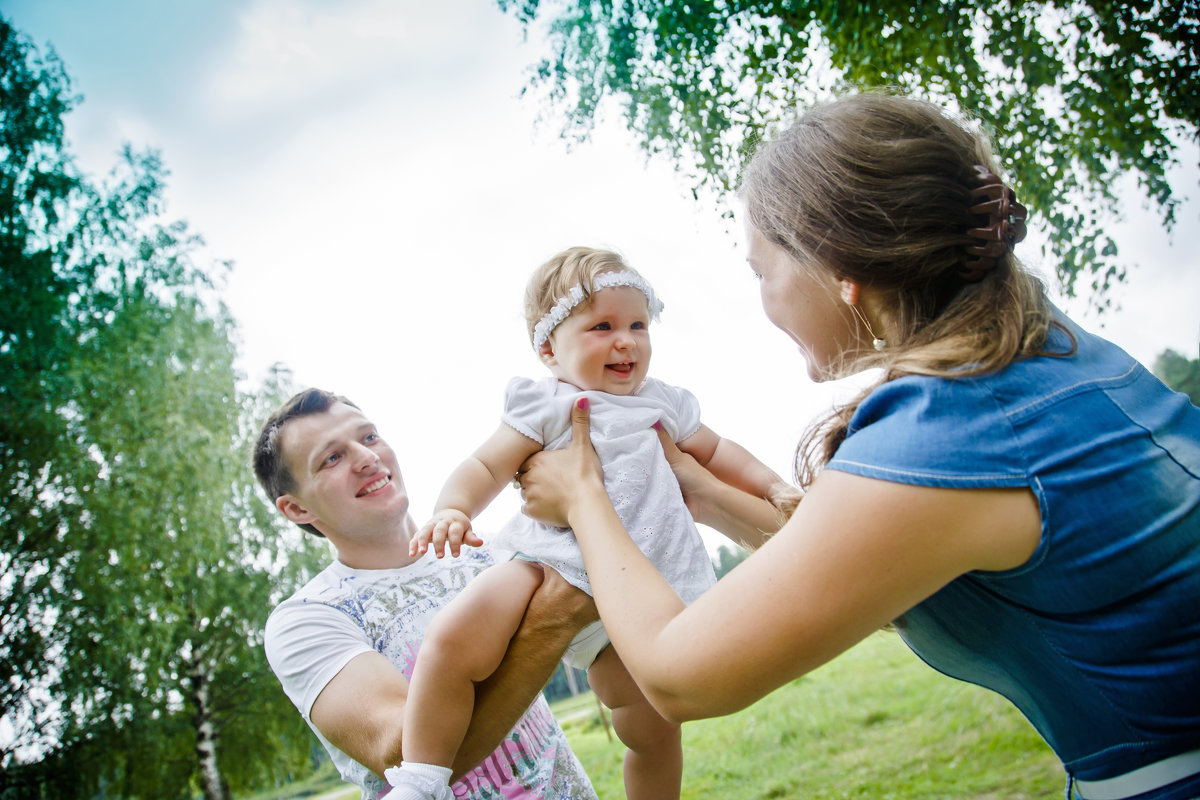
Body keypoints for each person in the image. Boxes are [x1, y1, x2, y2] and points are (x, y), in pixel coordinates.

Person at [515, 93, 1200, 800]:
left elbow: (679, 677)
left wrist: (584, 496)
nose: (765, 301)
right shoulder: (1049, 357)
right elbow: (854, 554)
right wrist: (703, 491)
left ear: (836, 267)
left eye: (761, 271)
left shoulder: (950, 434)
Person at [388, 247, 793, 800]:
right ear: (550, 350)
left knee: (652, 728)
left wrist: (772, 485)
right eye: (602, 326)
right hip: (548, 563)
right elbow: (486, 464)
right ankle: (422, 779)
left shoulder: (662, 403)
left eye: (637, 324)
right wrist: (453, 508)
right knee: (453, 639)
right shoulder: (551, 404)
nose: (625, 340)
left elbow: (722, 453)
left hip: (645, 583)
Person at [254, 389, 600, 800]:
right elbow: (405, 755)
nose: (367, 458)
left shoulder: (489, 553)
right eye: (332, 458)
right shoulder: (307, 620)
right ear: (296, 509)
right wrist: (555, 617)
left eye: (368, 437)